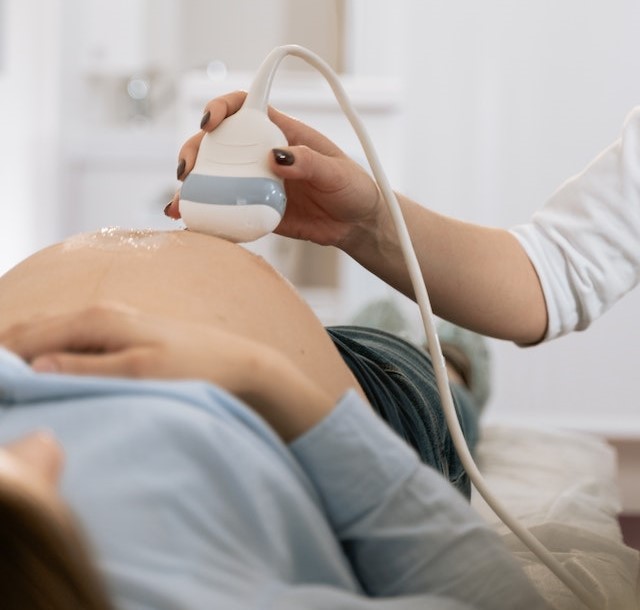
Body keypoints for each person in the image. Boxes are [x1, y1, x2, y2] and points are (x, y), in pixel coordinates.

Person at [0, 228, 548, 609]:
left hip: (270, 349)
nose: (39, 444)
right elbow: (493, 599)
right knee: (435, 371)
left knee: (371, 330)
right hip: (339, 402)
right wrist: (260, 373)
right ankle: (452, 366)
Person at [167, 93, 640, 346]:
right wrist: (366, 222)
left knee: (406, 364)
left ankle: (454, 361)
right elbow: (554, 274)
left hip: (353, 376)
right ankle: (448, 354)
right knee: (383, 343)